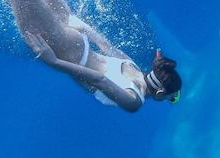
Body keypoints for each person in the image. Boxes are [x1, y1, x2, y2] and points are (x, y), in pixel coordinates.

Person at [10, 0, 182, 112]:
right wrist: (54, 62)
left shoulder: (133, 66)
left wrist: (76, 22)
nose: (170, 99)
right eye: (171, 98)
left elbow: (104, 45)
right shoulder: (134, 102)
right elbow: (99, 79)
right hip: (68, 51)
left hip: (78, 36)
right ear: (159, 93)